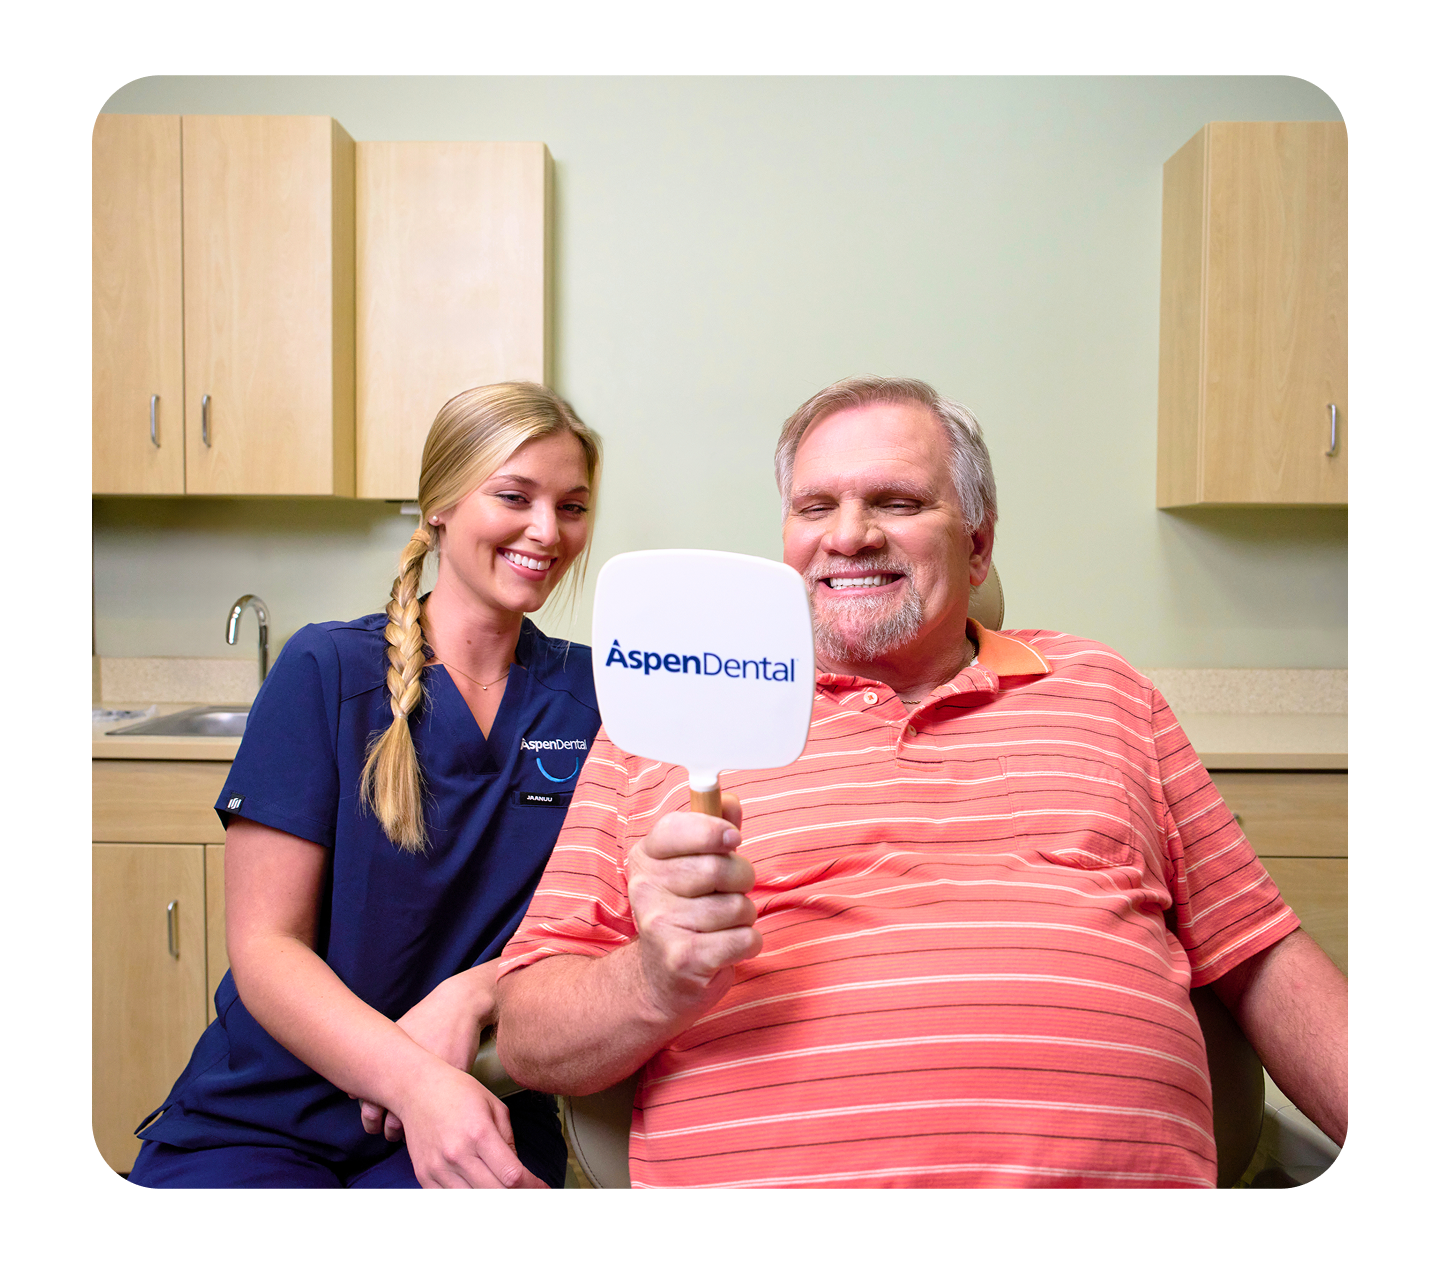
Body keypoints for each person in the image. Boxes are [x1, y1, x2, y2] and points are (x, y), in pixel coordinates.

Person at [493, 375, 1348, 1189]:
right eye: (815, 506)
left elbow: (1262, 955)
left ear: (977, 544)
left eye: (896, 502)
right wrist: (653, 979)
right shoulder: (671, 726)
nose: (849, 535)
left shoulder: (1104, 689)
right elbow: (531, 1035)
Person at [128, 382, 603, 1189]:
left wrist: (476, 993)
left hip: (480, 1106)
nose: (546, 531)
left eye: (573, 505)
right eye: (514, 497)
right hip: (272, 1114)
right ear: (442, 505)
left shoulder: (595, 698)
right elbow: (265, 947)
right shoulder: (328, 670)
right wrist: (412, 1082)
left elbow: (609, 933)